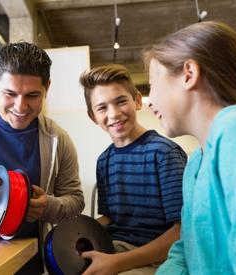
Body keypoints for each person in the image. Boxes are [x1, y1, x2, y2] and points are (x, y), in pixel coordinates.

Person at [146, 21, 236, 274]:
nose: (150, 101)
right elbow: (186, 250)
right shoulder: (196, 161)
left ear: (188, 74)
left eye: (152, 83)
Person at [0, 42, 85, 274]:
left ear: (47, 87)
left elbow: (75, 201)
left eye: (33, 95)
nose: (20, 106)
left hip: (30, 264)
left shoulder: (58, 139)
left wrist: (48, 206)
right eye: (10, 93)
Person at [79, 64, 187, 275]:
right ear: (93, 116)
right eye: (102, 107)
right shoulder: (104, 160)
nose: (114, 114)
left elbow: (181, 231)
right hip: (113, 248)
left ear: (137, 100)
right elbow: (110, 219)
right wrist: (76, 231)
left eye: (121, 101)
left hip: (156, 259)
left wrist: (118, 263)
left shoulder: (164, 153)